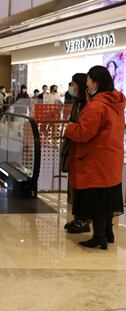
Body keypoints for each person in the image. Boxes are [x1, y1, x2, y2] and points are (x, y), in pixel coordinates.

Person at [64, 65, 125, 250]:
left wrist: (69, 128)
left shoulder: (97, 106)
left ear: (96, 82)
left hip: (96, 158)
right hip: (111, 156)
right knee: (107, 197)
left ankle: (99, 237)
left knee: (97, 199)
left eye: (88, 80)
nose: (86, 84)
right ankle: (107, 232)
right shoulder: (115, 103)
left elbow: (83, 133)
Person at [60, 73, 90, 233]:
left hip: (81, 149)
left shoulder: (88, 105)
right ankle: (78, 217)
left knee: (81, 186)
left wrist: (71, 128)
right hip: (74, 147)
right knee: (74, 184)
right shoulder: (78, 103)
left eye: (72, 83)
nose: (70, 87)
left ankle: (83, 220)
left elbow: (80, 128)